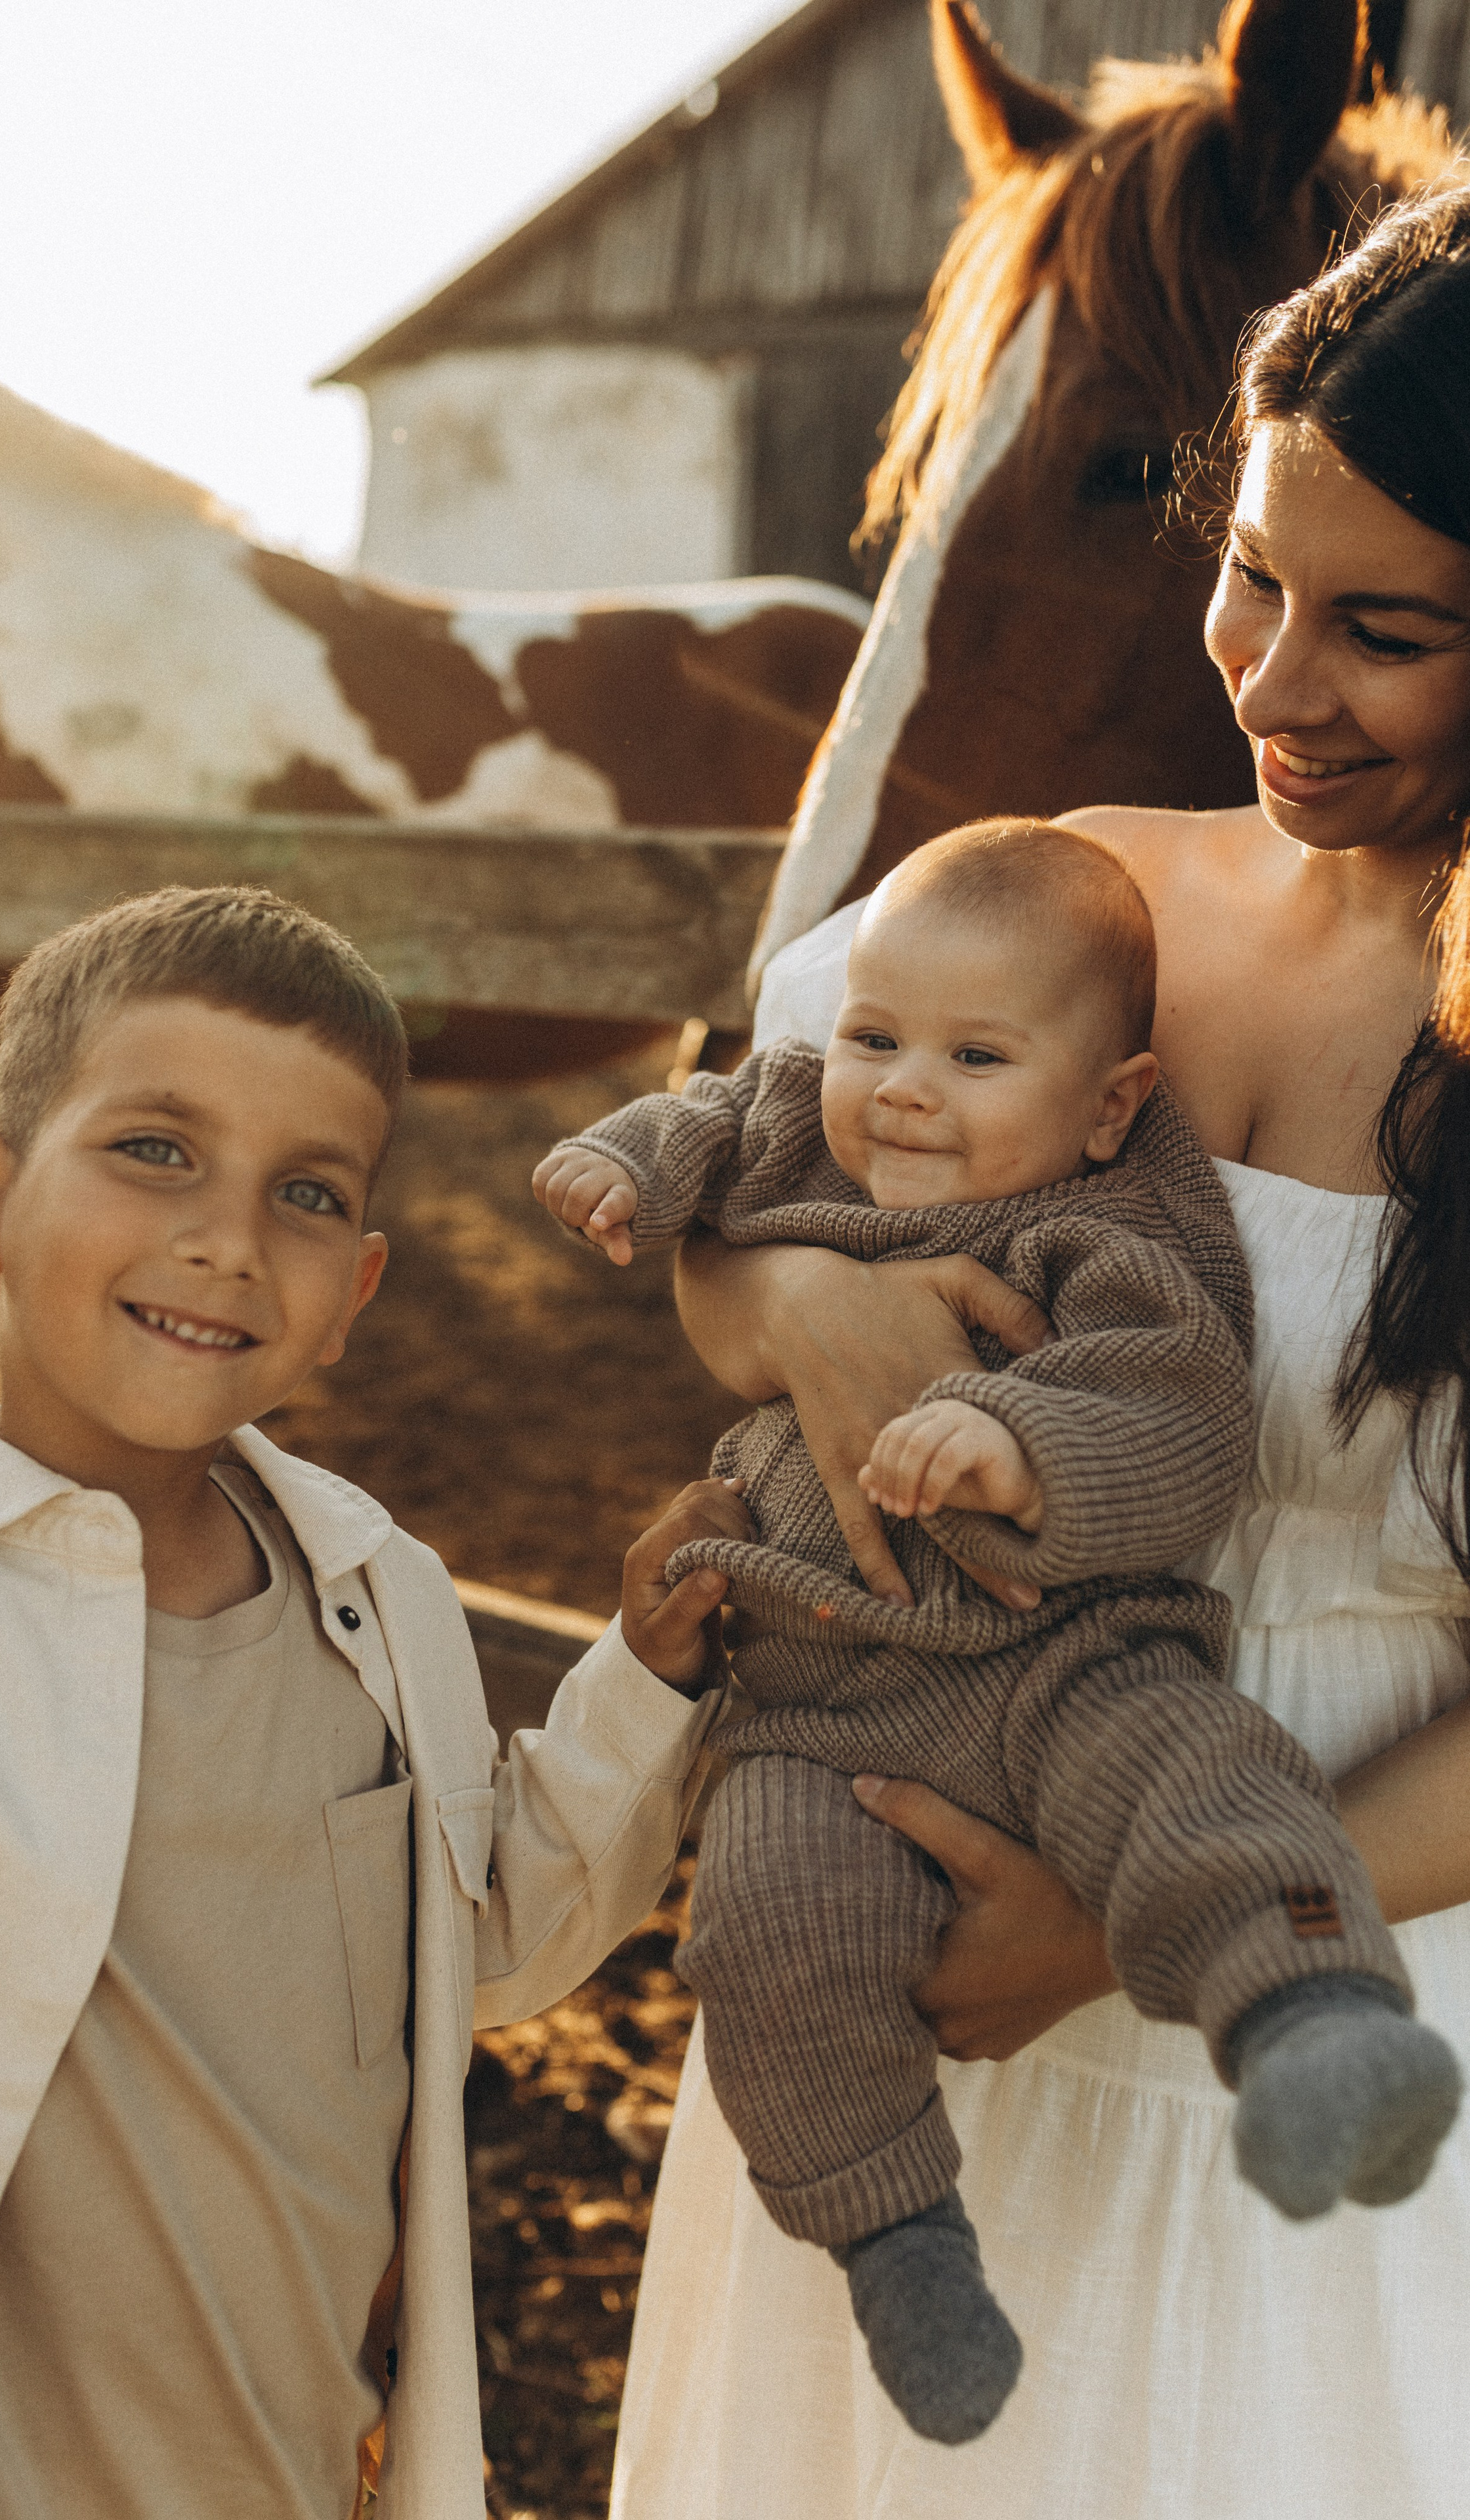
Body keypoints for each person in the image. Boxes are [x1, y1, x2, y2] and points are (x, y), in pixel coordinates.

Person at [610, 187, 1470, 2520]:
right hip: (903, 1896)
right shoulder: (1080, 896)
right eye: (1253, 579)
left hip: (1336, 1933)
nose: (1272, 682)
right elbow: (746, 1218)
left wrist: (1109, 1933)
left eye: (1386, 631)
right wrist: (798, 1304)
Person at [0, 883, 744, 2520]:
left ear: (356, 1289)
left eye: (303, 1192)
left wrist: (643, 1683)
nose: (229, 1240)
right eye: (154, 1149)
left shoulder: (378, 1603)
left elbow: (471, 1935)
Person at [537, 818, 1456, 2446]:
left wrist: (1022, 1449)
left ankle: (1307, 2015)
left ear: (1110, 1103)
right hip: (825, 1699)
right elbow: (714, 1138)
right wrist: (681, 1212)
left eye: (969, 1060)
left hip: (1078, 1664)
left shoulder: (1101, 1227)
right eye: (876, 1042)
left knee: (1205, 1792)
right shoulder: (998, 926)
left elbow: (1173, 1413)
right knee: (765, 1933)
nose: (902, 1088)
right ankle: (890, 2240)